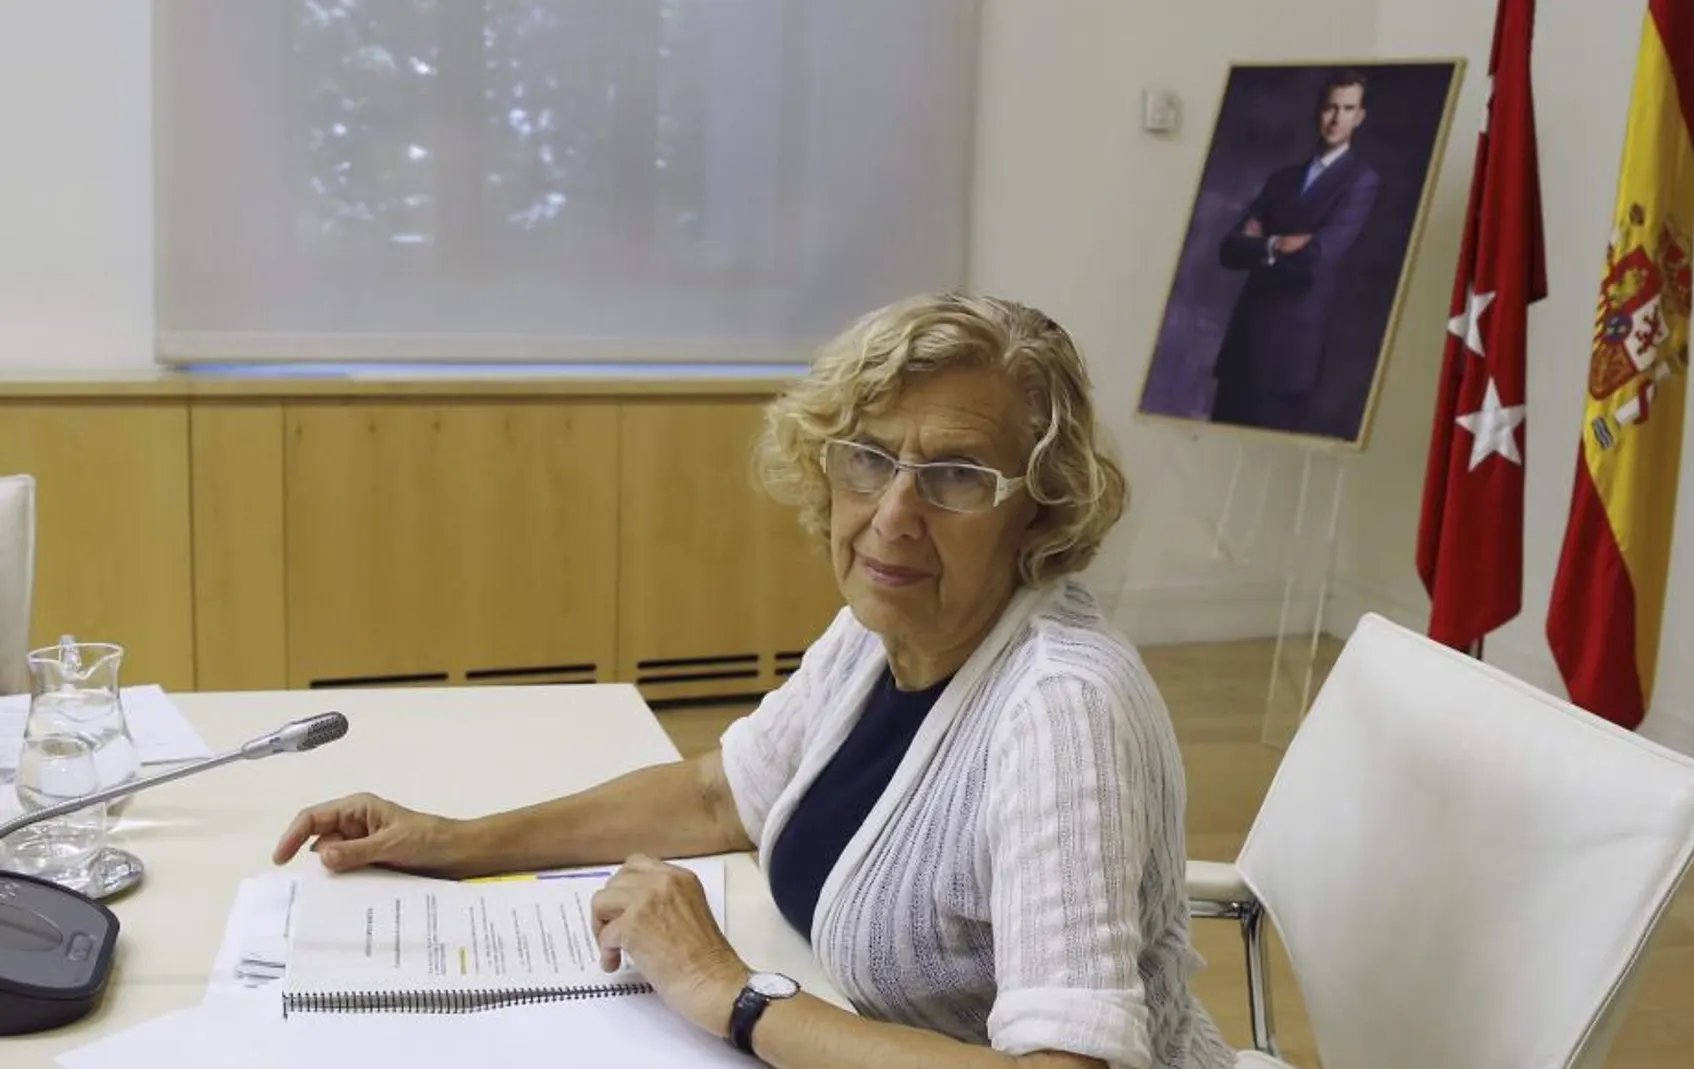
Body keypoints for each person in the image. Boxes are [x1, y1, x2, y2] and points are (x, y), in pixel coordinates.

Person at [272, 293, 1236, 1069]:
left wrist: (729, 990)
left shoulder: (1062, 707)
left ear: (1040, 509)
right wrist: (456, 840)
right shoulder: (882, 627)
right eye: (869, 459)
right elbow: (719, 792)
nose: (894, 514)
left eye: (955, 475)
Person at [1210, 68, 1381, 429]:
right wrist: (1277, 243)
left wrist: (1260, 243)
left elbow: (1316, 259)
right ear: (1318, 110)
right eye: (1330, 107)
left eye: (1347, 109)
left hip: (1292, 347)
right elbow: (1229, 249)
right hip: (1246, 340)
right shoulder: (1282, 179)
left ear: (1360, 117)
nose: (1336, 118)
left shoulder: (1360, 181)